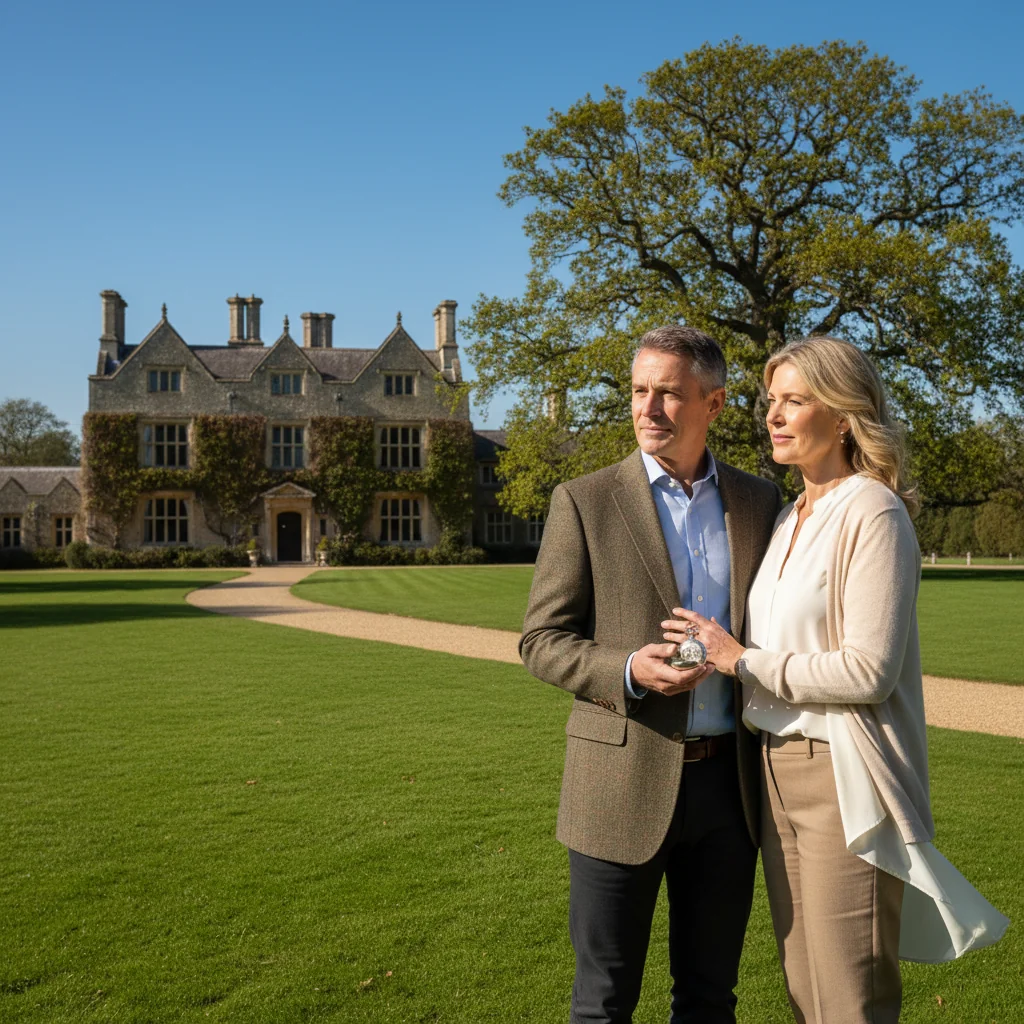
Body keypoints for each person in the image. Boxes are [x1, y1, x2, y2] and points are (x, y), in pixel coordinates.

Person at [666, 336, 1009, 1024]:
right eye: (772, 401)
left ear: (845, 417)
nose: (774, 415)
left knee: (850, 994)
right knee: (805, 986)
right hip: (771, 770)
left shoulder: (872, 512)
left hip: (842, 774)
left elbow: (869, 670)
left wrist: (742, 661)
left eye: (795, 400)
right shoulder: (792, 512)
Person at [520, 325, 783, 1024]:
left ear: (716, 403)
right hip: (616, 785)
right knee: (602, 1005)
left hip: (731, 791)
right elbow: (540, 641)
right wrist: (630, 669)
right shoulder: (585, 499)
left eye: (668, 393)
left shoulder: (762, 504)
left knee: (709, 1000)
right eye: (639, 391)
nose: (648, 408)